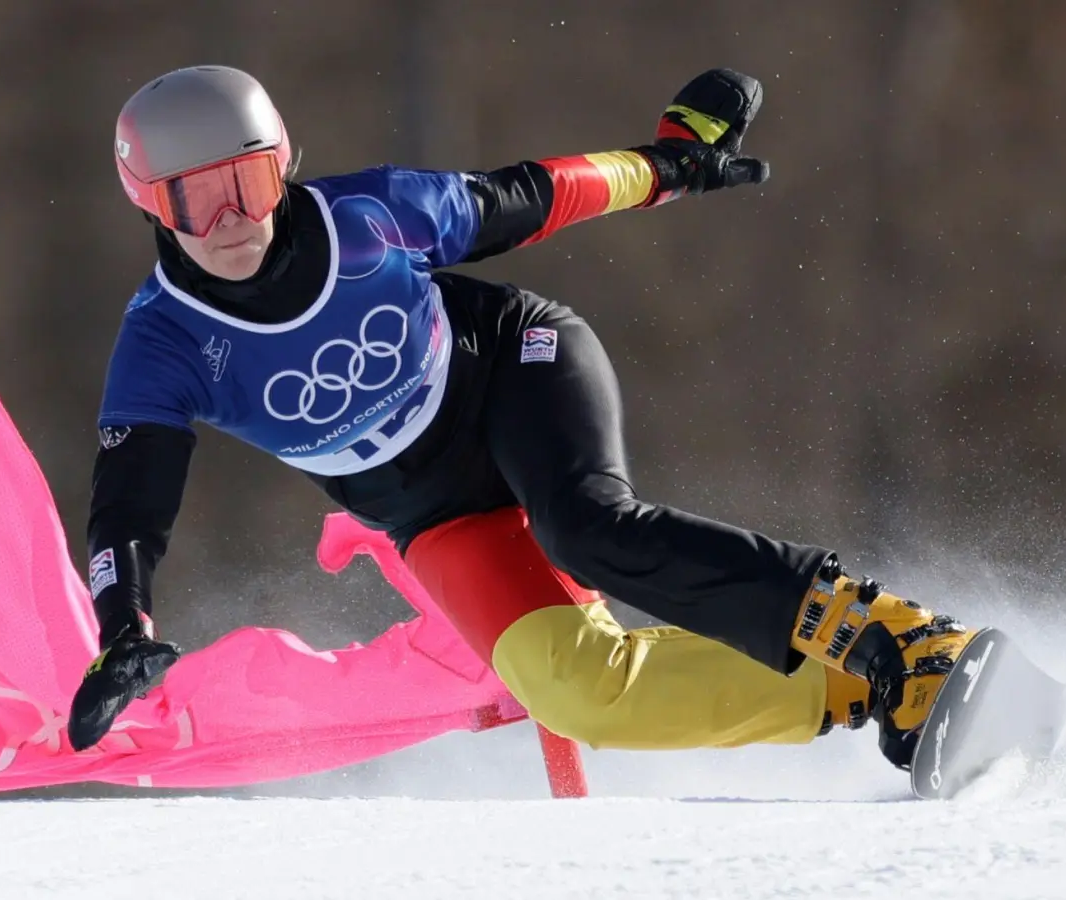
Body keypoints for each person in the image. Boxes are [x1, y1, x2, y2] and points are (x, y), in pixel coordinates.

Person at [68, 64, 980, 774]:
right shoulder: (164, 344)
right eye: (197, 196)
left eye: (252, 181)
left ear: (285, 165)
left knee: (588, 530)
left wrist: (665, 166)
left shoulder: (367, 217)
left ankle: (901, 633)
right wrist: (123, 633)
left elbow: (535, 195)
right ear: (150, 202)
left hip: (513, 368)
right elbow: (129, 511)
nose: (234, 219)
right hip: (433, 510)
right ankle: (866, 684)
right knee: (579, 693)